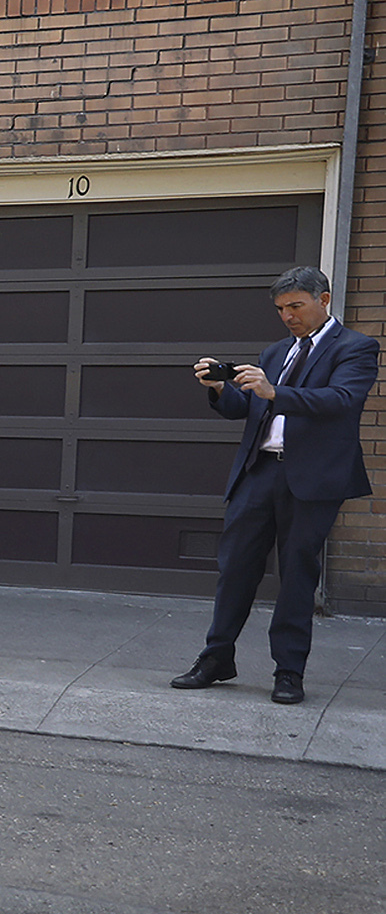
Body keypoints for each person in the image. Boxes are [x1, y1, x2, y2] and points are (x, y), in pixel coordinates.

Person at [171, 266, 376, 705]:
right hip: (258, 471)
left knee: (297, 576)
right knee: (235, 570)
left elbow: (342, 400)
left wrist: (273, 393)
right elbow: (244, 407)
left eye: (296, 306)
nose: (288, 316)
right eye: (281, 309)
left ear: (323, 300)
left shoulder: (356, 348)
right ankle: (216, 658)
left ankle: (288, 672)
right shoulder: (275, 351)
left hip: (313, 479)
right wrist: (220, 388)